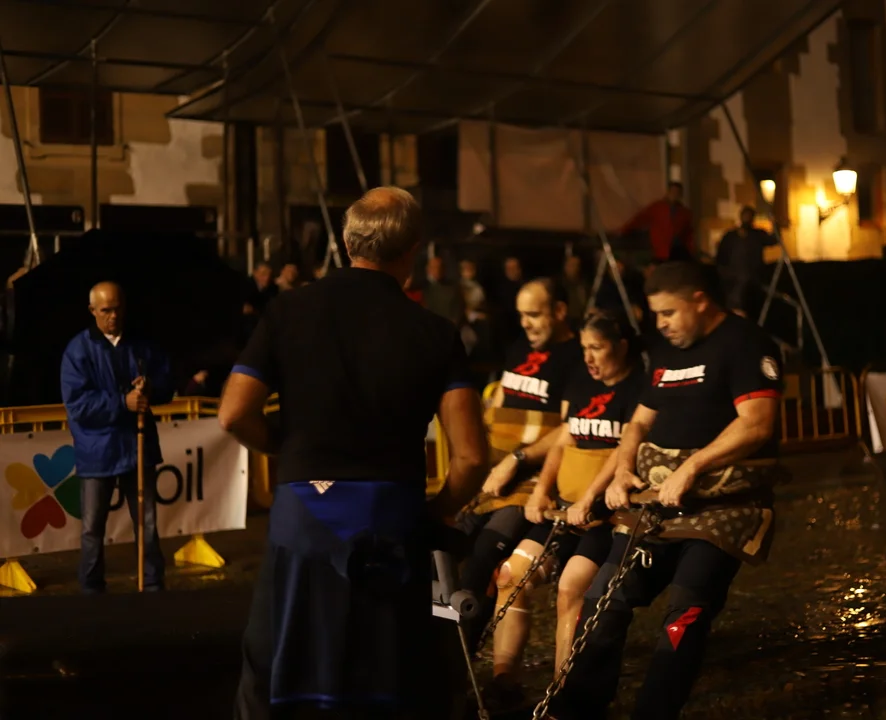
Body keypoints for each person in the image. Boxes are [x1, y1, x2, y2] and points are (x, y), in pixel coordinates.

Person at [220, 187, 489, 719]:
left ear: (346, 243)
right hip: (390, 516)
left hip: (304, 513)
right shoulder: (435, 332)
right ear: (412, 250)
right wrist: (439, 510)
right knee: (386, 677)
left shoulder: (288, 311)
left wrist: (285, 449)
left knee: (276, 671)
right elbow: (471, 458)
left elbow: (232, 414)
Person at [545, 261, 784, 720]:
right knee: (604, 597)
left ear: (700, 300)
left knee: (685, 613)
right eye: (656, 314)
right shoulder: (667, 352)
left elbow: (757, 424)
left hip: (721, 507)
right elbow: (638, 422)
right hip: (654, 504)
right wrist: (622, 471)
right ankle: (575, 708)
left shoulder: (745, 343)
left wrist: (692, 467)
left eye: (668, 313)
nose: (660, 324)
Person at [484, 310, 645, 712]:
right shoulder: (581, 382)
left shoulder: (638, 390)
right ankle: (504, 680)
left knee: (571, 587)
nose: (588, 358)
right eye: (584, 348)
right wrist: (541, 492)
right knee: (511, 574)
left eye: (597, 348)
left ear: (621, 347)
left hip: (604, 517)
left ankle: (563, 690)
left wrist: (589, 499)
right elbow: (564, 441)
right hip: (563, 510)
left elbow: (622, 451)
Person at [458, 279, 583, 654]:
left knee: (482, 557)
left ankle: (460, 655)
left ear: (559, 311)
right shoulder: (519, 348)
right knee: (443, 544)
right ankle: (434, 645)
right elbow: (500, 407)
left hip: (530, 480)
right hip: (491, 473)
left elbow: (570, 428)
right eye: (521, 315)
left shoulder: (577, 357)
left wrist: (517, 459)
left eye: (534, 314)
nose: (526, 323)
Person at [60, 281, 173, 594]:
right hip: (97, 451)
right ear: (92, 311)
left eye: (117, 308)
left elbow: (166, 384)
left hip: (137, 446)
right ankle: (91, 589)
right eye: (106, 310)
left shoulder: (142, 345)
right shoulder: (78, 350)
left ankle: (152, 585)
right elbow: (78, 406)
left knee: (147, 524)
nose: (113, 316)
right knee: (92, 528)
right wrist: (123, 402)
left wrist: (150, 388)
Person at [715, 205, 778, 318]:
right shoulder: (730, 236)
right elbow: (721, 256)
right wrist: (723, 273)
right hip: (732, 280)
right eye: (745, 216)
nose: (747, 218)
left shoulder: (757, 235)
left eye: (749, 216)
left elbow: (774, 240)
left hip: (753, 278)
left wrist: (775, 224)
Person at [618, 182, 695, 264]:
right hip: (661, 251)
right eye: (673, 191)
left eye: (677, 192)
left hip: (677, 252)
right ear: (668, 192)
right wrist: (624, 229)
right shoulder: (657, 208)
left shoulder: (684, 213)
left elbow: (688, 234)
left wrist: (690, 250)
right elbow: (640, 219)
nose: (675, 194)